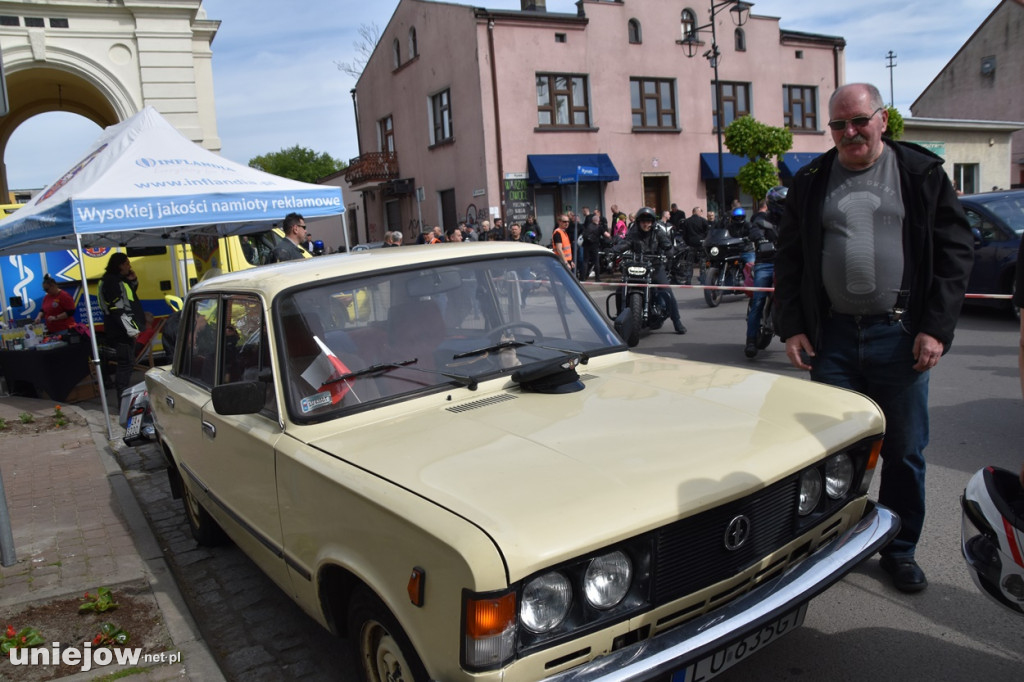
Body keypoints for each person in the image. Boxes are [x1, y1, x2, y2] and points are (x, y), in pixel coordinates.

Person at [774, 82, 975, 593]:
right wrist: (792, 324)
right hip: (833, 337)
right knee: (830, 452)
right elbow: (791, 255)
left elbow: (955, 253)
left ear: (882, 120)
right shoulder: (814, 178)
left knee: (905, 452)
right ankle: (831, 544)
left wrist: (935, 328)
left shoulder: (919, 172)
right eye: (838, 124)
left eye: (859, 120)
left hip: (900, 335)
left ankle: (900, 550)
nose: (849, 132)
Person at [613, 206, 687, 334]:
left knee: (667, 292)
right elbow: (626, 243)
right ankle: (621, 316)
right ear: (638, 222)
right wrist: (614, 250)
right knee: (620, 290)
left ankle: (677, 321)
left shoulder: (657, 232)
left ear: (652, 222)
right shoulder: (634, 233)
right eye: (643, 221)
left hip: (655, 267)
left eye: (648, 221)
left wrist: (669, 249)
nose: (646, 223)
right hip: (636, 265)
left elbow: (666, 243)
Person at [743, 190, 785, 358]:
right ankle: (751, 340)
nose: (786, 207)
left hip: (787, 263)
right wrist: (760, 240)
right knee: (758, 299)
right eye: (782, 203)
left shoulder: (791, 220)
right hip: (767, 263)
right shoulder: (762, 220)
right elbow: (754, 232)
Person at [99, 252, 145, 398]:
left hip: (120, 329)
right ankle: (122, 400)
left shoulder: (116, 280)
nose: (129, 266)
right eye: (126, 263)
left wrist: (133, 281)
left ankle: (123, 396)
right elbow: (118, 309)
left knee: (127, 364)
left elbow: (128, 298)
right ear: (119, 265)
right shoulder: (112, 282)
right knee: (125, 365)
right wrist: (131, 330)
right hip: (120, 331)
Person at [581, 208, 610, 281]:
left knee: (585, 261)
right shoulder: (600, 227)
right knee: (596, 262)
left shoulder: (588, 226)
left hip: (586, 246)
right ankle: (597, 278)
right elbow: (607, 235)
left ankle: (583, 277)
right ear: (598, 220)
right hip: (595, 246)